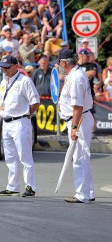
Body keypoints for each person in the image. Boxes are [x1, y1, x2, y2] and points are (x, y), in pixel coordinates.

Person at [0, 55, 40, 197]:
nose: (5, 70)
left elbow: (35, 102)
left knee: (24, 156)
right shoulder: (4, 82)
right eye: (3, 67)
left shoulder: (24, 81)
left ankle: (30, 186)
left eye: (7, 67)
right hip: (6, 123)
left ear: (16, 66)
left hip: (20, 122)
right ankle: (12, 186)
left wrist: (26, 114)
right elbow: (0, 105)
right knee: (10, 157)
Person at [57, 49, 95, 203]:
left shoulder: (76, 77)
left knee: (79, 158)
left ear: (64, 63)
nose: (59, 65)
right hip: (80, 118)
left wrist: (74, 128)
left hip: (78, 119)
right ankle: (89, 191)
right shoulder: (75, 75)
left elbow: (78, 106)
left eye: (59, 62)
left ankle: (82, 194)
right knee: (82, 157)